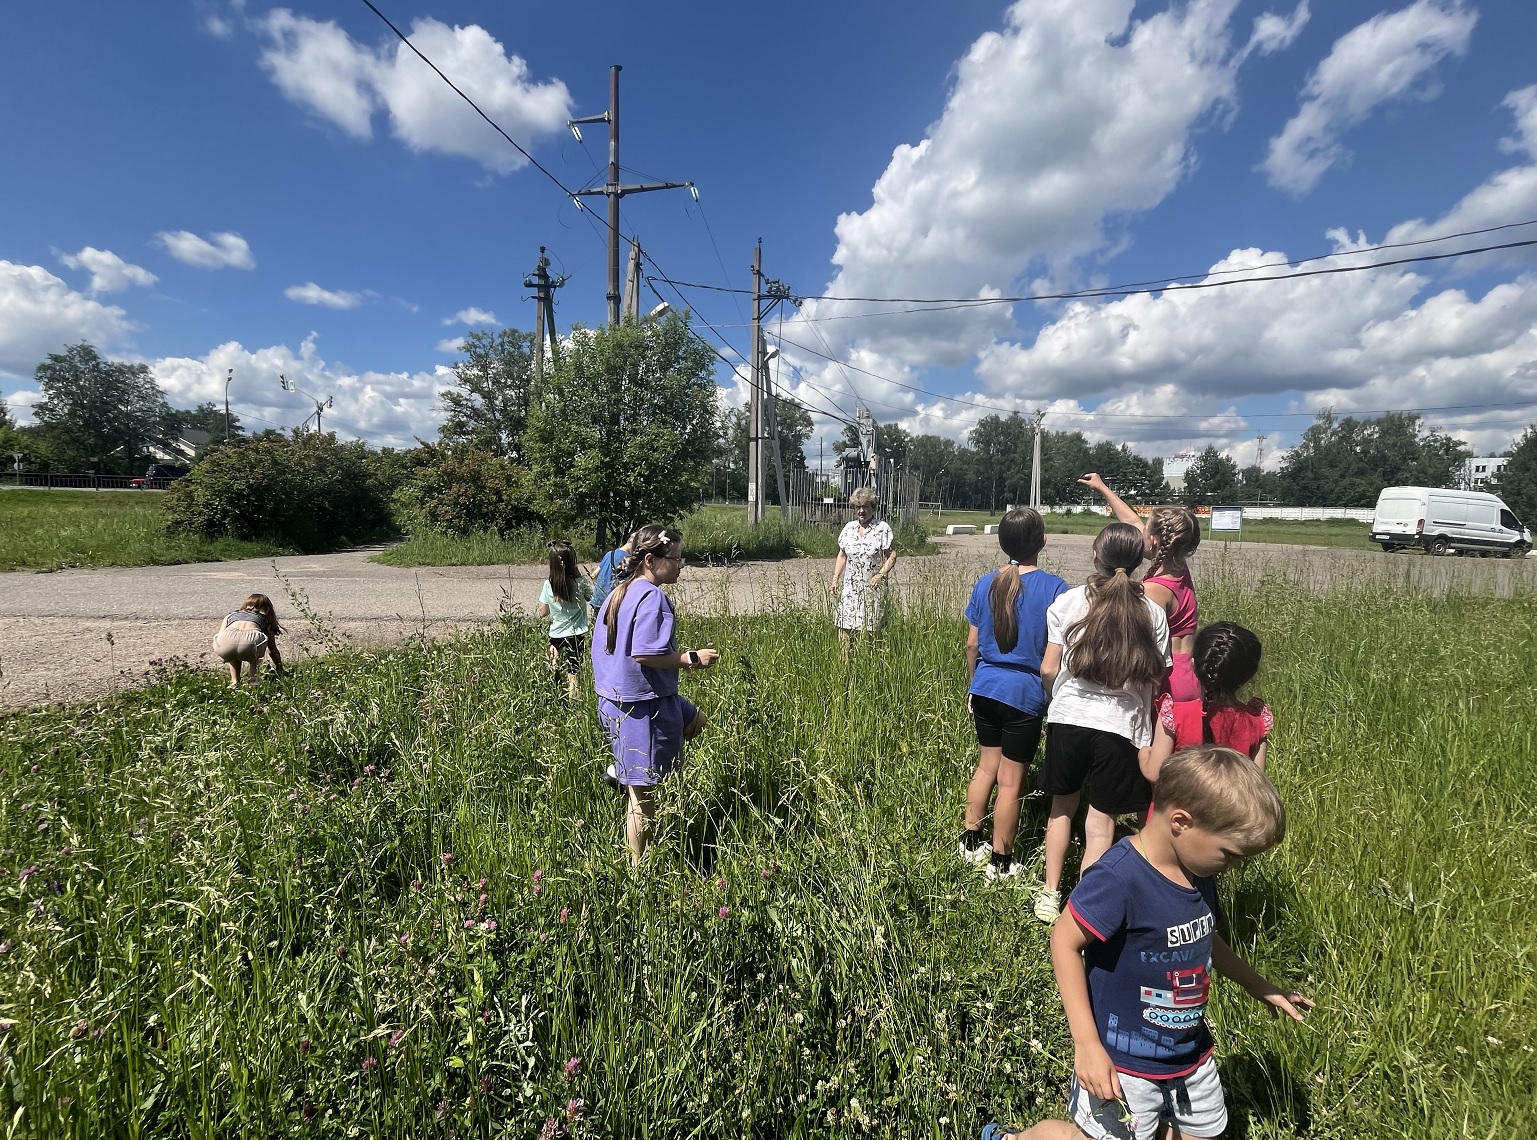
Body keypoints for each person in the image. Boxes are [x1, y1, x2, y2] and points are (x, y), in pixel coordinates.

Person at [981, 747, 1313, 1140]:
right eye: (1230, 855)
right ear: (1181, 822)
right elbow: (1063, 941)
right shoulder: (1120, 878)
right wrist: (1086, 1044)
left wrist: (1260, 986)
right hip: (1122, 1062)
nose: (1234, 867)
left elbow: (1208, 938)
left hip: (1189, 1052)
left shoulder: (1198, 871)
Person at [1034, 523, 1170, 924]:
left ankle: (1048, 893)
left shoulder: (1069, 602)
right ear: (1138, 560)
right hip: (1122, 725)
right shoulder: (1153, 612)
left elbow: (1048, 667)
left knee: (1061, 808)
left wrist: (1055, 700)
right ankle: (1084, 909)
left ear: (1096, 556)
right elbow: (1157, 675)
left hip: (1069, 717)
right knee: (1100, 823)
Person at [591, 525, 719, 864]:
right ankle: (638, 870)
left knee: (695, 721)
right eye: (675, 559)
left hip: (619, 700)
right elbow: (645, 653)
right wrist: (692, 659)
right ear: (650, 560)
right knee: (642, 796)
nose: (680, 565)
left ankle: (622, 770)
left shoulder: (619, 592)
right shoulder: (653, 598)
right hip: (642, 708)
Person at [960, 508, 1070, 881]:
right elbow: (1057, 655)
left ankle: (969, 841)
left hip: (986, 685)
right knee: (1011, 781)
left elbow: (972, 644)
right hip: (1024, 694)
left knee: (985, 768)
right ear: (1042, 541)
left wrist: (974, 685)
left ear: (1002, 542)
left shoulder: (985, 582)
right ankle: (1001, 861)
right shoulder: (1056, 589)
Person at [1078, 474, 1202, 702]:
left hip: (1166, 681)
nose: (1138, 530)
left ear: (1154, 541)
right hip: (1190, 677)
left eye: (1144, 530)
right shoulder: (1178, 567)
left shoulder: (1154, 590)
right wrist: (1103, 488)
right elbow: (1134, 522)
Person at [1143, 622, 1272, 781]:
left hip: (1178, 805)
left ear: (1193, 664)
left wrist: (1144, 753)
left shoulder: (1175, 714)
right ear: (1250, 675)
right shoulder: (1256, 721)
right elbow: (1257, 780)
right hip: (1228, 806)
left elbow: (1154, 773)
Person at [536, 540, 593, 699]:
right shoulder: (580, 583)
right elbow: (592, 598)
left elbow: (543, 612)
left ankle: (553, 693)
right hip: (577, 633)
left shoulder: (548, 585)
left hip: (556, 633)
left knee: (554, 662)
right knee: (574, 670)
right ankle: (574, 699)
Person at [212, 593, 285, 689]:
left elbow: (221, 634)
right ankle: (253, 681)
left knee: (233, 647)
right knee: (254, 646)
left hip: (224, 643)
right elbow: (273, 650)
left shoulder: (230, 616)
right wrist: (280, 669)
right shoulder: (265, 620)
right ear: (267, 609)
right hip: (250, 641)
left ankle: (234, 682)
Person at [590, 530, 636, 622]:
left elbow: (594, 574)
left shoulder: (609, 553)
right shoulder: (627, 559)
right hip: (611, 600)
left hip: (598, 598)